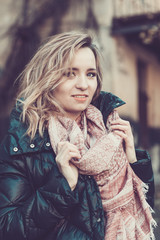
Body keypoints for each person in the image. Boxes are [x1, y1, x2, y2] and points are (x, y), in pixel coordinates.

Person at [0, 31, 156, 240]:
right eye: (69, 73)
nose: (83, 84)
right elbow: (8, 228)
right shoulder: (24, 140)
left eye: (90, 74)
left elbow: (144, 208)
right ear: (48, 78)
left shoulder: (109, 128)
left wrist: (133, 160)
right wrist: (64, 186)